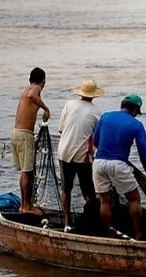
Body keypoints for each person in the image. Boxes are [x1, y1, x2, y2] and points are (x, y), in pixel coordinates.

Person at [92, 94, 146, 240]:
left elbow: (95, 141)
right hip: (119, 164)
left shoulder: (105, 116)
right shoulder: (136, 124)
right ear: (135, 109)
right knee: (134, 199)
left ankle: (111, 235)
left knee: (104, 201)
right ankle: (138, 234)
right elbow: (144, 153)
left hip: (99, 161)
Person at [57, 79, 104, 232]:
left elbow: (61, 130)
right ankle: (90, 221)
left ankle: (66, 222)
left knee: (66, 189)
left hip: (63, 151)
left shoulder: (69, 104)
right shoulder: (97, 112)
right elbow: (97, 139)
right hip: (82, 156)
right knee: (89, 191)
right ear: (94, 95)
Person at [11, 67, 50, 215]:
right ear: (43, 81)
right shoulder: (34, 89)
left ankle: (24, 205)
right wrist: (46, 108)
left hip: (17, 133)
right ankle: (27, 207)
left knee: (25, 172)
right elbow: (32, 95)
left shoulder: (25, 90)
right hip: (23, 135)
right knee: (28, 172)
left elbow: (29, 98)